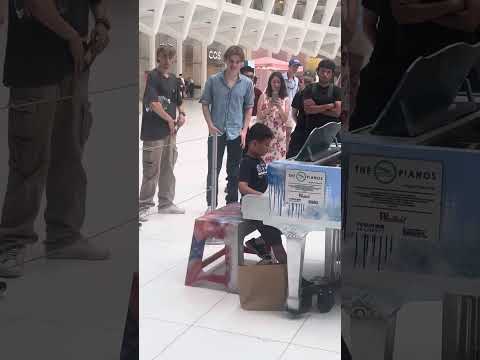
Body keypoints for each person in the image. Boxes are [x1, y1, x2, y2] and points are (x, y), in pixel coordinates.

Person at [0, 0, 111, 278]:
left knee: (70, 153)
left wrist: (101, 22)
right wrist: (71, 35)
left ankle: (65, 236)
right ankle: (11, 242)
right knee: (29, 160)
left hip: (74, 67)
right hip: (34, 66)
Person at [200, 45, 254, 211]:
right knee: (213, 169)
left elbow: (248, 108)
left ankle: (231, 204)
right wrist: (209, 125)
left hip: (236, 133)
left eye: (237, 62)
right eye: (231, 61)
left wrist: (244, 130)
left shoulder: (246, 83)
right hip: (216, 132)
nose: (234, 65)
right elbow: (205, 104)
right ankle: (211, 204)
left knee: (234, 171)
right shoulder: (213, 81)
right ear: (226, 61)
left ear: (241, 63)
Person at [139, 45, 187, 221]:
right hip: (154, 131)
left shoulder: (174, 79)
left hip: (170, 132)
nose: (167, 61)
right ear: (158, 57)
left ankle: (166, 203)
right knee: (152, 170)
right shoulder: (152, 76)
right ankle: (143, 205)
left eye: (170, 57)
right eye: (164, 57)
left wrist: (181, 114)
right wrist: (169, 119)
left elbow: (179, 101)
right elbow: (153, 103)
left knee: (168, 167)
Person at [238, 123, 287, 264]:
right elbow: (242, 187)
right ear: (253, 144)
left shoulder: (259, 159)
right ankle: (287, 269)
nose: (268, 148)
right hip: (253, 207)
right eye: (266, 145)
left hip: (263, 205)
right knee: (274, 235)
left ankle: (258, 242)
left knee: (284, 222)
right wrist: (261, 196)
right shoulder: (247, 162)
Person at [255, 72, 293, 163]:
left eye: (278, 82)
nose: (276, 84)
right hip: (264, 137)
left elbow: (285, 119)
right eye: (274, 82)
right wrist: (269, 107)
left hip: (279, 139)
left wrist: (279, 107)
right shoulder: (263, 97)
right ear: (270, 83)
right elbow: (259, 116)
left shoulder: (286, 99)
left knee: (278, 166)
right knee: (263, 165)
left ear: (282, 84)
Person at [303, 59, 342, 138]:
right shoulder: (309, 88)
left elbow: (337, 112)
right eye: (323, 71)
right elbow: (307, 110)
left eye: (328, 72)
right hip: (312, 133)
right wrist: (328, 106)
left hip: (332, 136)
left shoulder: (337, 90)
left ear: (332, 74)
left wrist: (316, 108)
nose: (325, 74)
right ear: (317, 71)